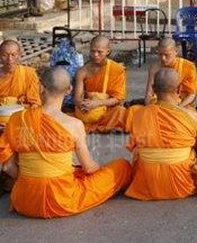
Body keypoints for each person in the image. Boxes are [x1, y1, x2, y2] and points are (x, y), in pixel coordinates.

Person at [0, 67, 131, 218]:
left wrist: (31, 180)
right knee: (122, 167)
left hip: (24, 201)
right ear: (69, 89)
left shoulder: (18, 118)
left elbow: (8, 166)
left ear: (40, 87)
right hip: (62, 199)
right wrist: (101, 172)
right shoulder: (74, 125)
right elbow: (89, 168)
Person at [126, 68, 197, 200]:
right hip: (181, 182)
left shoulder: (138, 114)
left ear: (153, 88)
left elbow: (133, 147)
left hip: (147, 181)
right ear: (180, 89)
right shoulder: (191, 115)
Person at [73, 36, 128, 133]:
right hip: (88, 112)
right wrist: (83, 105)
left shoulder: (116, 69)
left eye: (99, 52)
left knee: (121, 111)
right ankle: (103, 127)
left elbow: (118, 98)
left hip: (108, 111)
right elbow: (77, 98)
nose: (95, 55)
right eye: (92, 51)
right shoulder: (82, 71)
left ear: (108, 51)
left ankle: (104, 126)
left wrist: (98, 103)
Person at [144, 38, 197, 108]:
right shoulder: (154, 68)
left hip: (182, 106)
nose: (163, 58)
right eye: (160, 54)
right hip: (159, 106)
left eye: (167, 55)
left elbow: (192, 95)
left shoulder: (188, 66)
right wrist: (151, 108)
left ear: (176, 51)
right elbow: (149, 94)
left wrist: (178, 108)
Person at [0, 40, 41, 111]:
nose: (9, 59)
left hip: (21, 116)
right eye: (5, 55)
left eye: (13, 55)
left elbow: (35, 103)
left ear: (19, 55)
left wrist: (21, 105)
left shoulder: (29, 74)